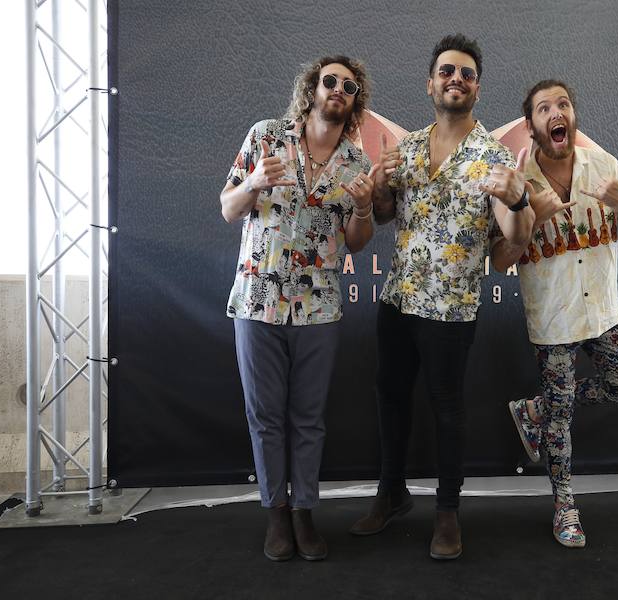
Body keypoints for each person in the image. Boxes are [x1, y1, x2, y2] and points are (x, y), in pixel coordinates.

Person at [349, 34, 535, 560]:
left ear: (477, 89)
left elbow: (512, 240)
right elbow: (384, 214)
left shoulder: (494, 158)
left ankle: (448, 512)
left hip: (450, 307)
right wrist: (379, 190)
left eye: (467, 74)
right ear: (430, 83)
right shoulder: (405, 149)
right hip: (397, 299)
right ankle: (392, 493)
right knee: (390, 399)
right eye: (447, 71)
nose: (456, 79)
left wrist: (517, 197)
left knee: (447, 409)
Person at [219, 56, 377, 561]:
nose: (338, 90)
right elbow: (228, 208)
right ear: (312, 88)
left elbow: (357, 243)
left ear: (354, 103)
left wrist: (362, 207)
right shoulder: (265, 137)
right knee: (265, 415)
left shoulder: (356, 163)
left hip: (318, 307)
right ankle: (275, 515)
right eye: (330, 81)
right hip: (257, 301)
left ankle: (304, 512)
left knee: (308, 418)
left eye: (348, 87)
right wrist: (252, 185)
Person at [491, 79, 618, 549]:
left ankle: (536, 408)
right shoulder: (517, 184)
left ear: (572, 117)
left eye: (562, 104)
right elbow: (499, 260)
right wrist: (530, 214)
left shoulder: (604, 167)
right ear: (531, 126)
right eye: (543, 108)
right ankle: (565, 507)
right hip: (553, 318)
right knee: (559, 424)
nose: (555, 112)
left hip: (603, 309)